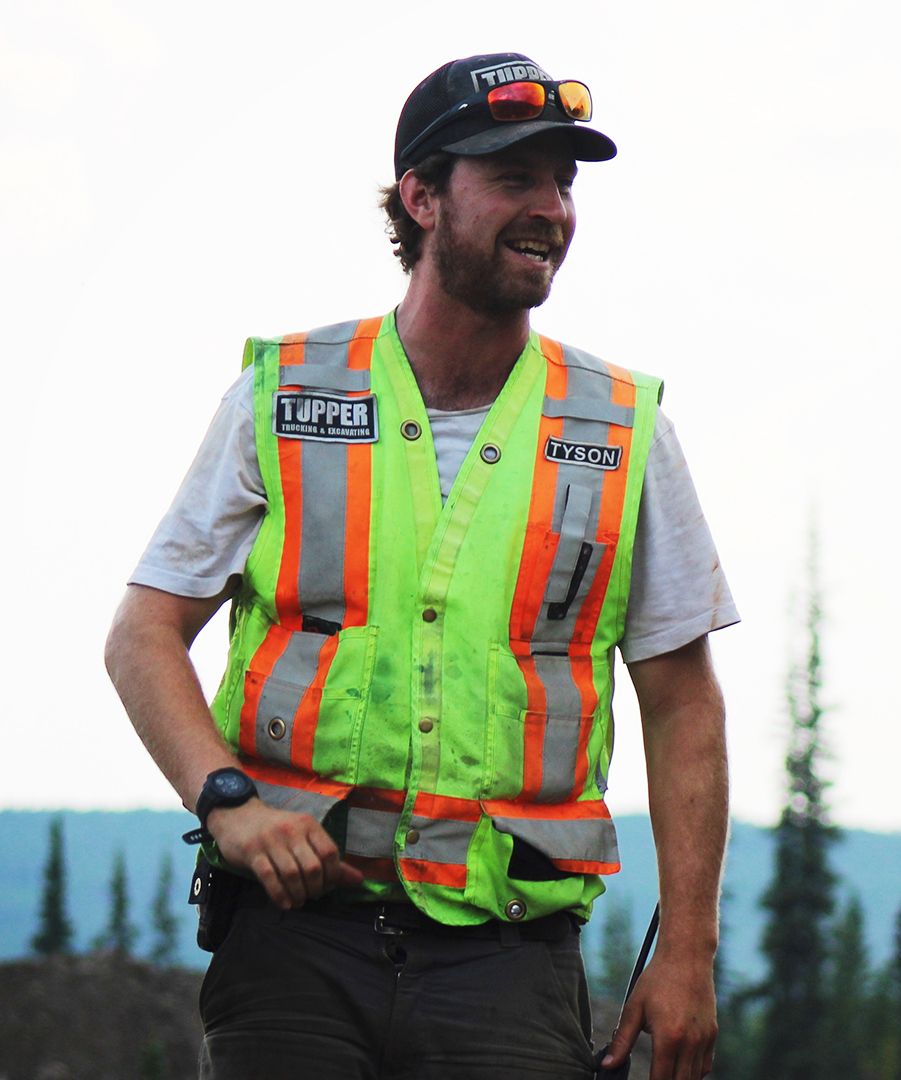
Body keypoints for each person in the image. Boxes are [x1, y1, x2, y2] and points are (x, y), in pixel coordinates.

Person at [103, 52, 735, 1080]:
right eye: (516, 178)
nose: (552, 209)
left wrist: (690, 956)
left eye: (564, 182)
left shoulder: (622, 429)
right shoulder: (286, 396)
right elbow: (141, 635)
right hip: (294, 950)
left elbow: (682, 705)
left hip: (510, 968)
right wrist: (226, 801)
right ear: (422, 197)